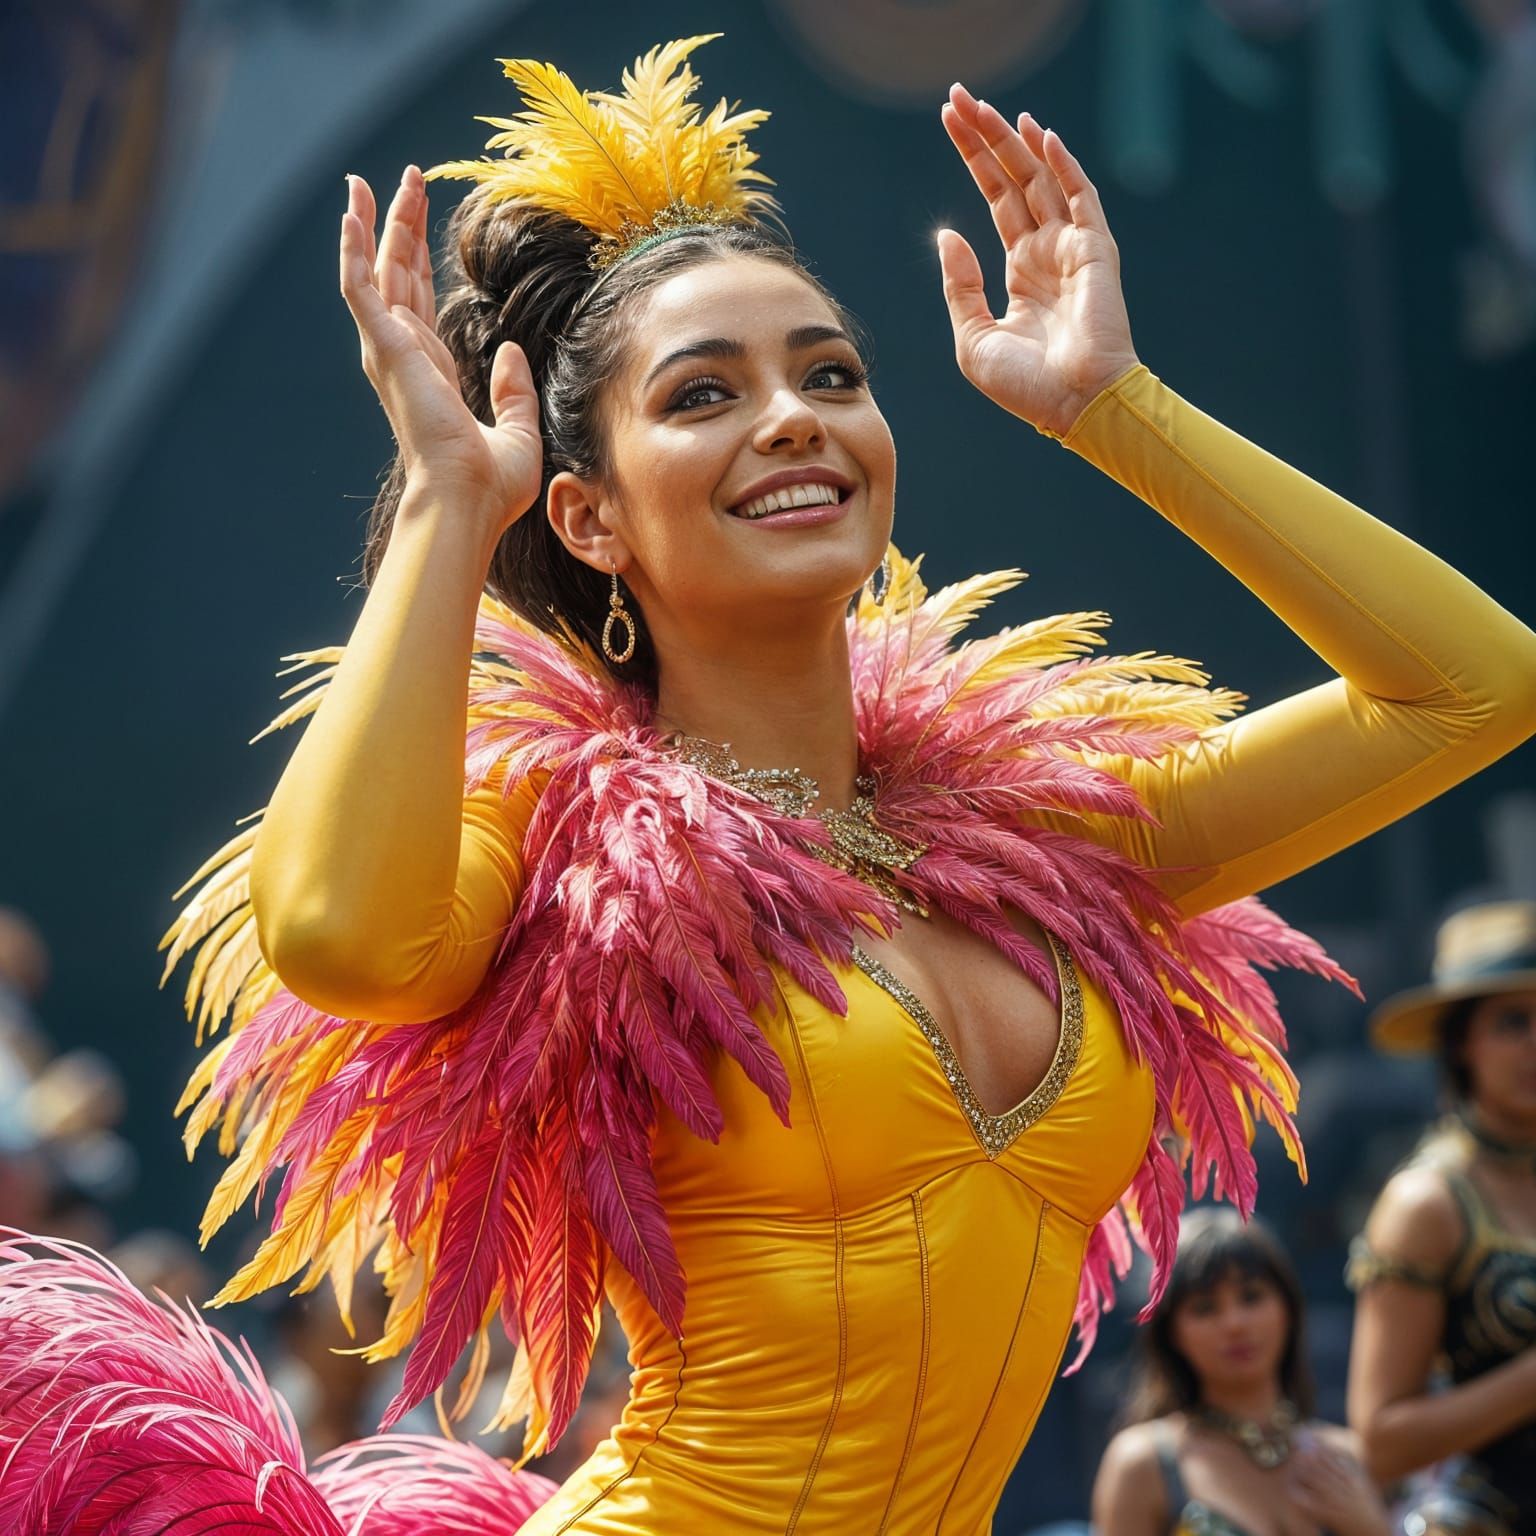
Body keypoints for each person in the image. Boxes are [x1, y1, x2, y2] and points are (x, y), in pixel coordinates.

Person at [2, 35, 1535, 1534]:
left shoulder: (1055, 848)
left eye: (830, 373)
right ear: (589, 517)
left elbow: (1473, 685)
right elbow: (340, 938)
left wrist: (1114, 407)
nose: (794, 415)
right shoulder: (576, 855)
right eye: (702, 395)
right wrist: (448, 506)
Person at [1346, 900, 1536, 1535]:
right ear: (1461, 1043)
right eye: (1513, 1022)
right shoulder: (1426, 1204)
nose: (1535, 1043)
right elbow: (1380, 1441)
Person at [1093, 1209, 1390, 1536]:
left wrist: (1370, 1528)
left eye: (1251, 1297)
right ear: (1172, 1333)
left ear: (1288, 1309)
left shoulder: (1345, 1458)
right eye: (1205, 1308)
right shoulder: (1144, 1464)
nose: (1235, 1323)